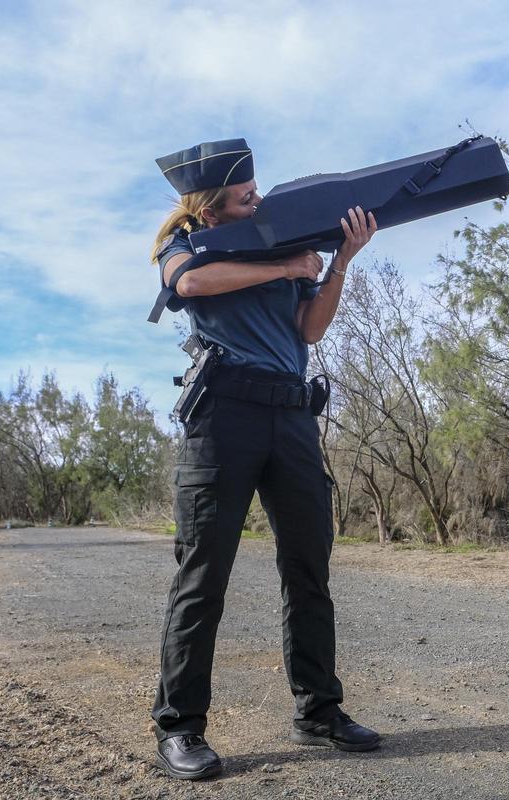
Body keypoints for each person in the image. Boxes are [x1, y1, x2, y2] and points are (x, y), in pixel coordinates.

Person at [148, 138, 380, 780]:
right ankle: (179, 727)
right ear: (211, 207)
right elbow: (189, 282)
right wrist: (282, 268)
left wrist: (337, 264)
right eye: (245, 196)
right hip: (224, 418)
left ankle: (319, 712)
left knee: (309, 568)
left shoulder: (281, 242)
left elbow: (309, 330)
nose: (258, 200)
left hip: (292, 416)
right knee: (203, 575)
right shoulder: (185, 243)